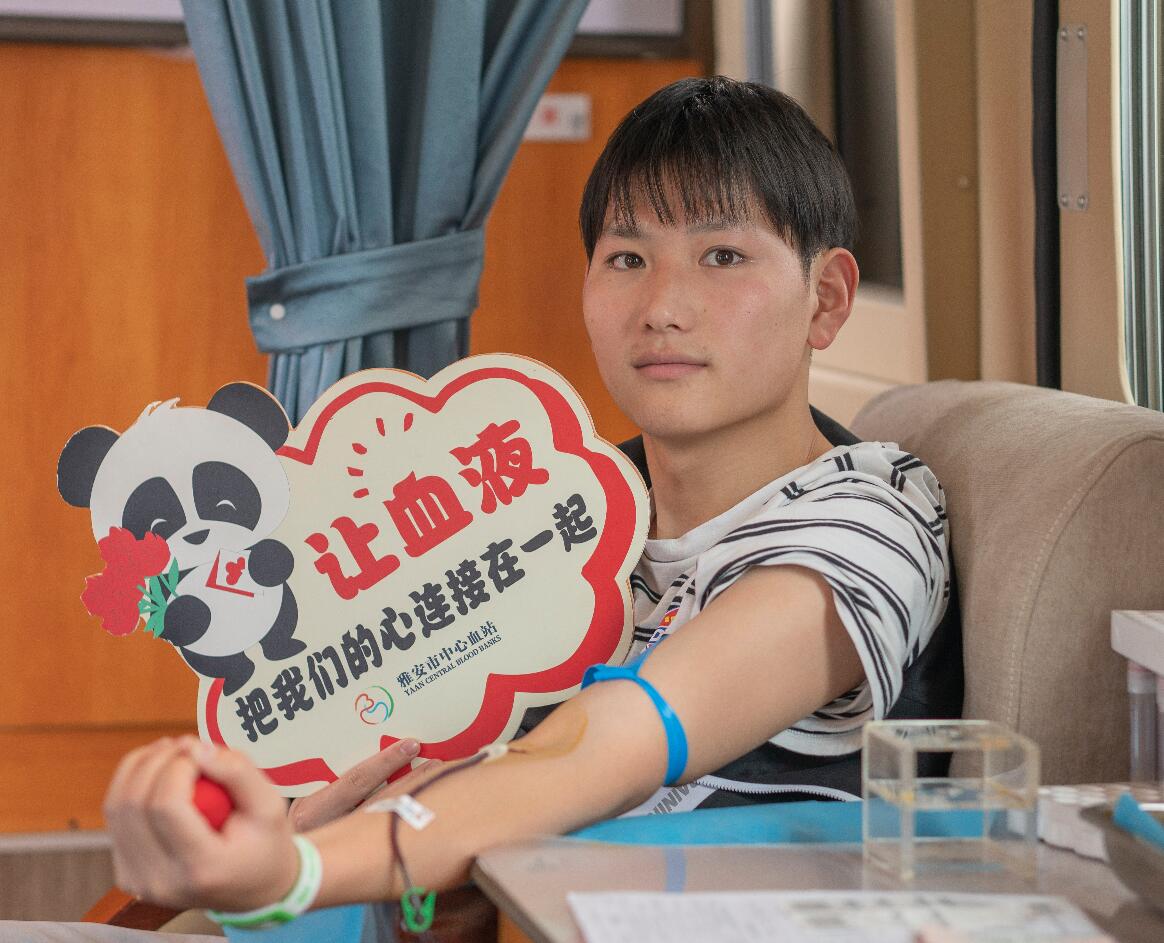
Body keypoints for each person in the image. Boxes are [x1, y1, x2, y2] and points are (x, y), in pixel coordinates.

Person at [101, 76, 961, 925]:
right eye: (627, 258)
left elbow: (620, 737)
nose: (662, 306)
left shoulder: (871, 520)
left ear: (826, 298)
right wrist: (317, 839)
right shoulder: (557, 518)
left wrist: (300, 871)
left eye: (723, 256)